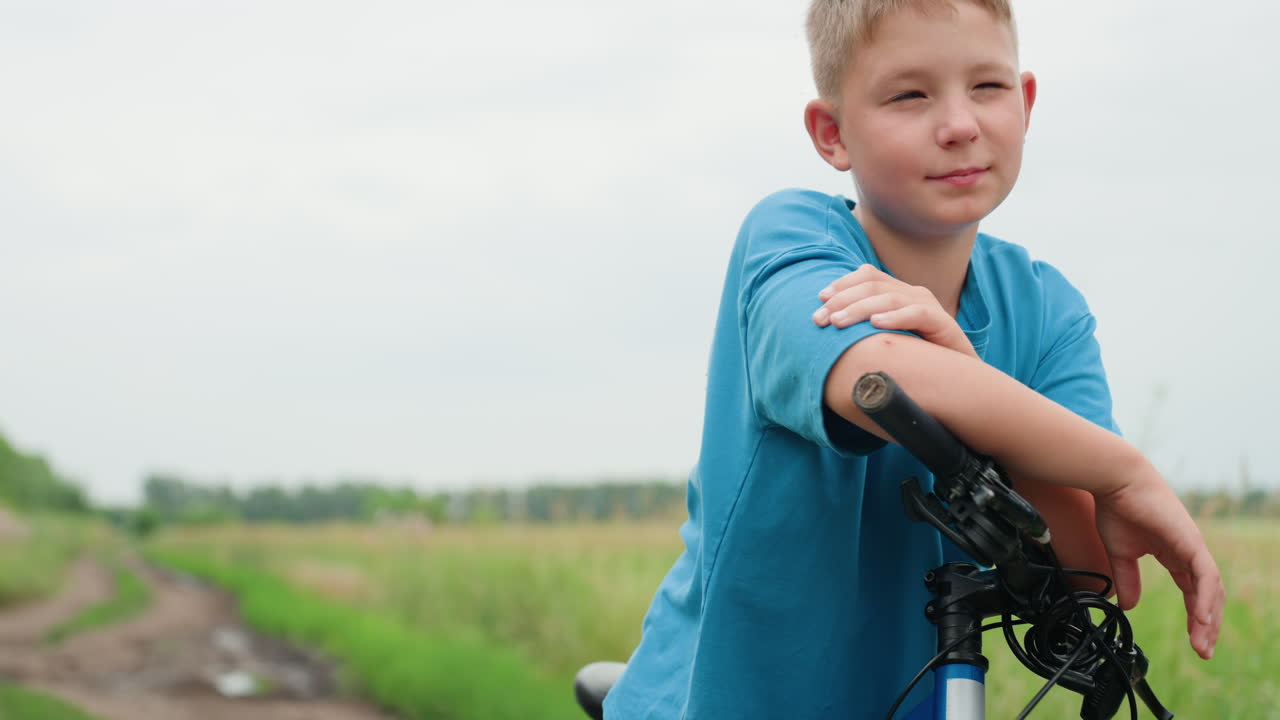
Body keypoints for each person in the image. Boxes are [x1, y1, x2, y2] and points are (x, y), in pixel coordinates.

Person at [602, 1, 1225, 717]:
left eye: (987, 88)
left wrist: (967, 369)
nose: (960, 125)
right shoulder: (792, 240)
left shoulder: (1048, 311)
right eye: (910, 94)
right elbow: (875, 379)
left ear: (1024, 104)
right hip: (722, 698)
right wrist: (1123, 468)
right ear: (833, 133)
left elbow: (1083, 570)